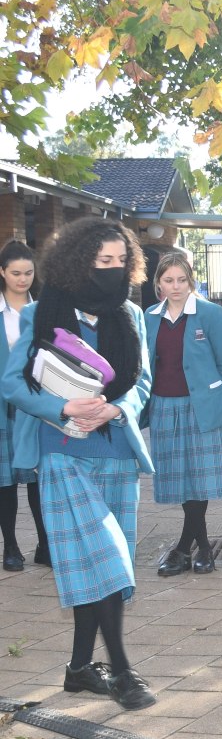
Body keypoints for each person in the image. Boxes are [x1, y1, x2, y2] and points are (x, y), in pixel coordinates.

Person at [1, 216, 155, 710]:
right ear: (78, 261)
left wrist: (118, 407)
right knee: (107, 557)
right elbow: (12, 384)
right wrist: (63, 407)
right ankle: (125, 672)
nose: (112, 269)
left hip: (115, 452)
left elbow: (142, 384)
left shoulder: (132, 313)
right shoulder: (42, 312)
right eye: (101, 260)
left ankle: (79, 669)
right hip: (62, 453)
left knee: (99, 566)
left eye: (119, 261)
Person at [146, 253, 222, 577]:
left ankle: (191, 549)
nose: (175, 286)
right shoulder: (150, 317)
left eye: (181, 280)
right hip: (164, 409)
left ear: (191, 280)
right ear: (158, 283)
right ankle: (197, 549)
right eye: (169, 280)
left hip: (201, 409)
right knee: (183, 481)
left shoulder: (209, 314)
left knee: (199, 480)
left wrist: (208, 393)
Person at [0, 240, 47, 570]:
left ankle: (45, 545)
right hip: (2, 406)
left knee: (37, 478)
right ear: (2, 272)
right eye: (15, 273)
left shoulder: (44, 311)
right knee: (4, 480)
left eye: (28, 273)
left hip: (34, 404)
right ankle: (12, 547)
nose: (22, 279)